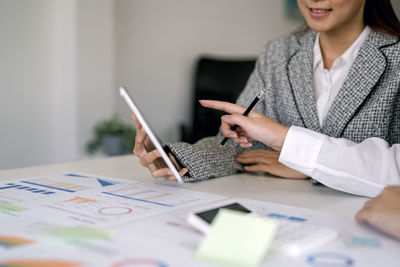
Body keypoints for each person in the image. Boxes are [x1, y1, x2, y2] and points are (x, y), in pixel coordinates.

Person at [132, 0, 400, 197]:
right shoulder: (277, 54)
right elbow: (236, 145)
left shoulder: (396, 58)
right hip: (283, 216)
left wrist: (308, 166)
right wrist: (177, 160)